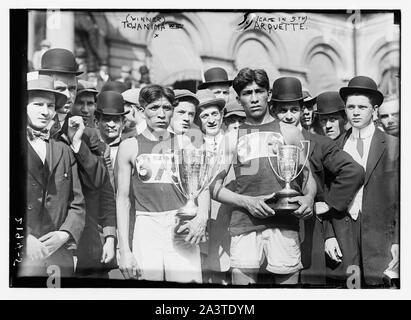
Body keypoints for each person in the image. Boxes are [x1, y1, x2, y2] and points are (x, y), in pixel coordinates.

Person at [211, 68, 317, 285]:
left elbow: (307, 177)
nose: (254, 98)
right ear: (239, 99)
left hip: (284, 223)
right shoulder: (232, 137)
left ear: (268, 94)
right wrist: (246, 202)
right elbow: (214, 187)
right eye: (247, 93)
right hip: (244, 224)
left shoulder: (288, 131)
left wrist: (308, 199)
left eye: (259, 91)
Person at [271, 78, 364, 286]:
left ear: (303, 111)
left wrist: (328, 204)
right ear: (273, 110)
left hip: (308, 230)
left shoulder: (319, 144)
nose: (288, 116)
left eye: (294, 110)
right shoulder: (264, 140)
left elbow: (354, 171)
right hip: (271, 229)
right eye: (282, 110)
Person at [116, 84, 209, 283]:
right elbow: (122, 199)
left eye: (166, 108)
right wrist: (124, 248)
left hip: (181, 223)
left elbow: (202, 187)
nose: (161, 114)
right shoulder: (130, 146)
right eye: (154, 108)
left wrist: (202, 217)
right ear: (142, 111)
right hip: (146, 225)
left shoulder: (187, 143)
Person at [324, 76, 399, 287]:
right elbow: (325, 193)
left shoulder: (394, 146)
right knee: (350, 288)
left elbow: (402, 200)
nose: (356, 112)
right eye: (351, 107)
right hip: (343, 236)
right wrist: (329, 236)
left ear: (374, 110)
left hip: (380, 238)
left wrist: (398, 240)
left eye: (362, 107)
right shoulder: (334, 147)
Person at [20, 74, 85, 278]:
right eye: (38, 104)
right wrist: (23, 237)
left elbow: (78, 202)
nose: (45, 111)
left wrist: (64, 234)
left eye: (50, 106)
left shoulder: (63, 150)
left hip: (57, 256)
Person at [37, 48, 83, 137]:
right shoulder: (28, 126)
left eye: (72, 88)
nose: (68, 96)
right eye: (60, 89)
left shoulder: (84, 132)